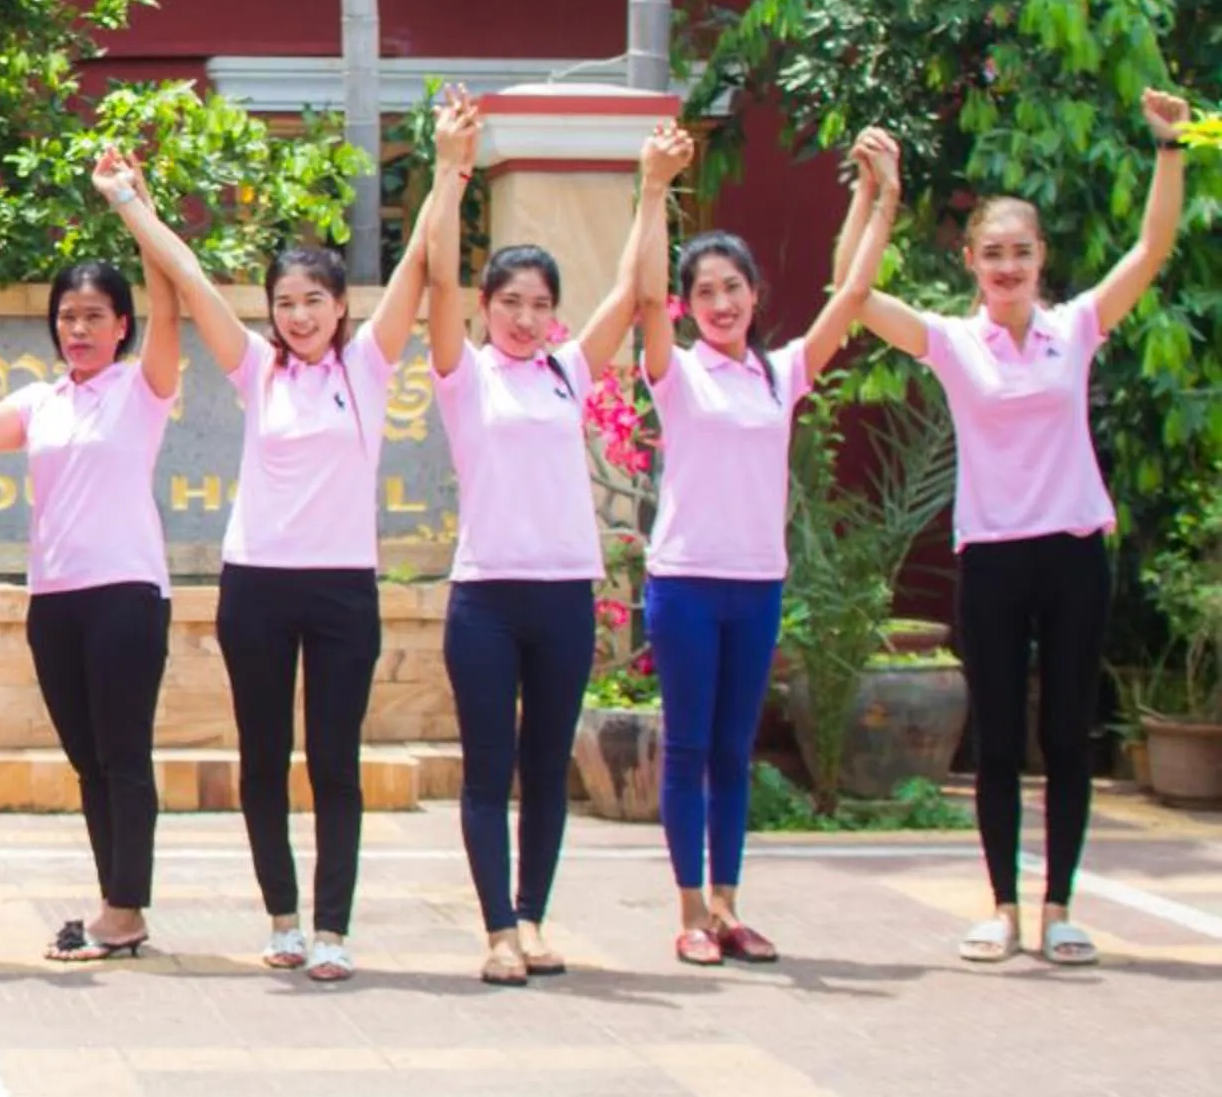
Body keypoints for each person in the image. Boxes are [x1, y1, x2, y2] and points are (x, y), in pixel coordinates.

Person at [103, 100, 474, 982]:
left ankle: (335, 929)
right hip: (258, 586)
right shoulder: (259, 369)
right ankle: (283, 917)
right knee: (263, 759)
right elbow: (190, 282)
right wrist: (131, 201)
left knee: (336, 763)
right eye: (285, 303)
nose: (299, 315)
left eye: (315, 301)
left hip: (344, 589)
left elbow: (425, 261)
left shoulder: (368, 366)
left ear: (342, 307)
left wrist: (453, 168)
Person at [855, 89, 1197, 967]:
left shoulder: (1075, 328)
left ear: (1043, 260)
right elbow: (855, 300)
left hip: (1074, 552)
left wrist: (1170, 145)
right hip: (995, 559)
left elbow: (1152, 248)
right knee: (1000, 739)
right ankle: (1003, 907)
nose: (1006, 266)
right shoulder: (951, 341)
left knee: (1070, 735)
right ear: (971, 261)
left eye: (1021, 253)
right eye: (991, 253)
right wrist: (874, 197)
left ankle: (1061, 908)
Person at [638, 126, 898, 969]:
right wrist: (653, 188)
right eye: (705, 290)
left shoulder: (781, 373)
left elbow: (852, 293)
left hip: (756, 586)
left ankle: (727, 907)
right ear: (689, 304)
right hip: (684, 583)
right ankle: (686, 913)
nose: (721, 302)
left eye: (734, 287)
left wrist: (876, 196)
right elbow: (643, 295)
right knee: (685, 748)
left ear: (754, 293)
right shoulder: (673, 372)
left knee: (732, 751)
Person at [425, 105, 664, 986]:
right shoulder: (464, 375)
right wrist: (452, 171)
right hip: (487, 598)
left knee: (545, 765)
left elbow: (636, 290)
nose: (525, 319)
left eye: (540, 306)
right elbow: (438, 283)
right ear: (488, 309)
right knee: (489, 770)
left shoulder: (568, 371)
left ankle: (531, 920)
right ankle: (494, 930)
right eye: (510, 304)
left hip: (564, 596)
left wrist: (656, 188)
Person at [0, 179, 183, 964]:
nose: (78, 329)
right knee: (87, 761)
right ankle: (118, 906)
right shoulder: (43, 401)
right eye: (67, 318)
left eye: (94, 317)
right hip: (56, 600)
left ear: (121, 327)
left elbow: (173, 302)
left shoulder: (142, 389)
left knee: (123, 755)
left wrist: (130, 207)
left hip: (126, 597)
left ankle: (123, 908)